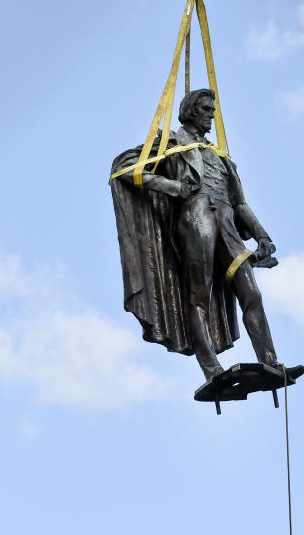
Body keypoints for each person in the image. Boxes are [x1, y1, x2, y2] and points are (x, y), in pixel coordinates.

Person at [110, 89, 279, 381]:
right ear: (190, 112)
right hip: (195, 216)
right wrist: (173, 188)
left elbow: (240, 203)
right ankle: (212, 372)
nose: (211, 114)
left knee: (251, 292)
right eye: (205, 109)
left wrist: (263, 236)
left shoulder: (220, 155)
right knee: (199, 294)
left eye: (212, 109)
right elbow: (123, 168)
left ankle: (271, 363)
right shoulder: (171, 142)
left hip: (227, 220)